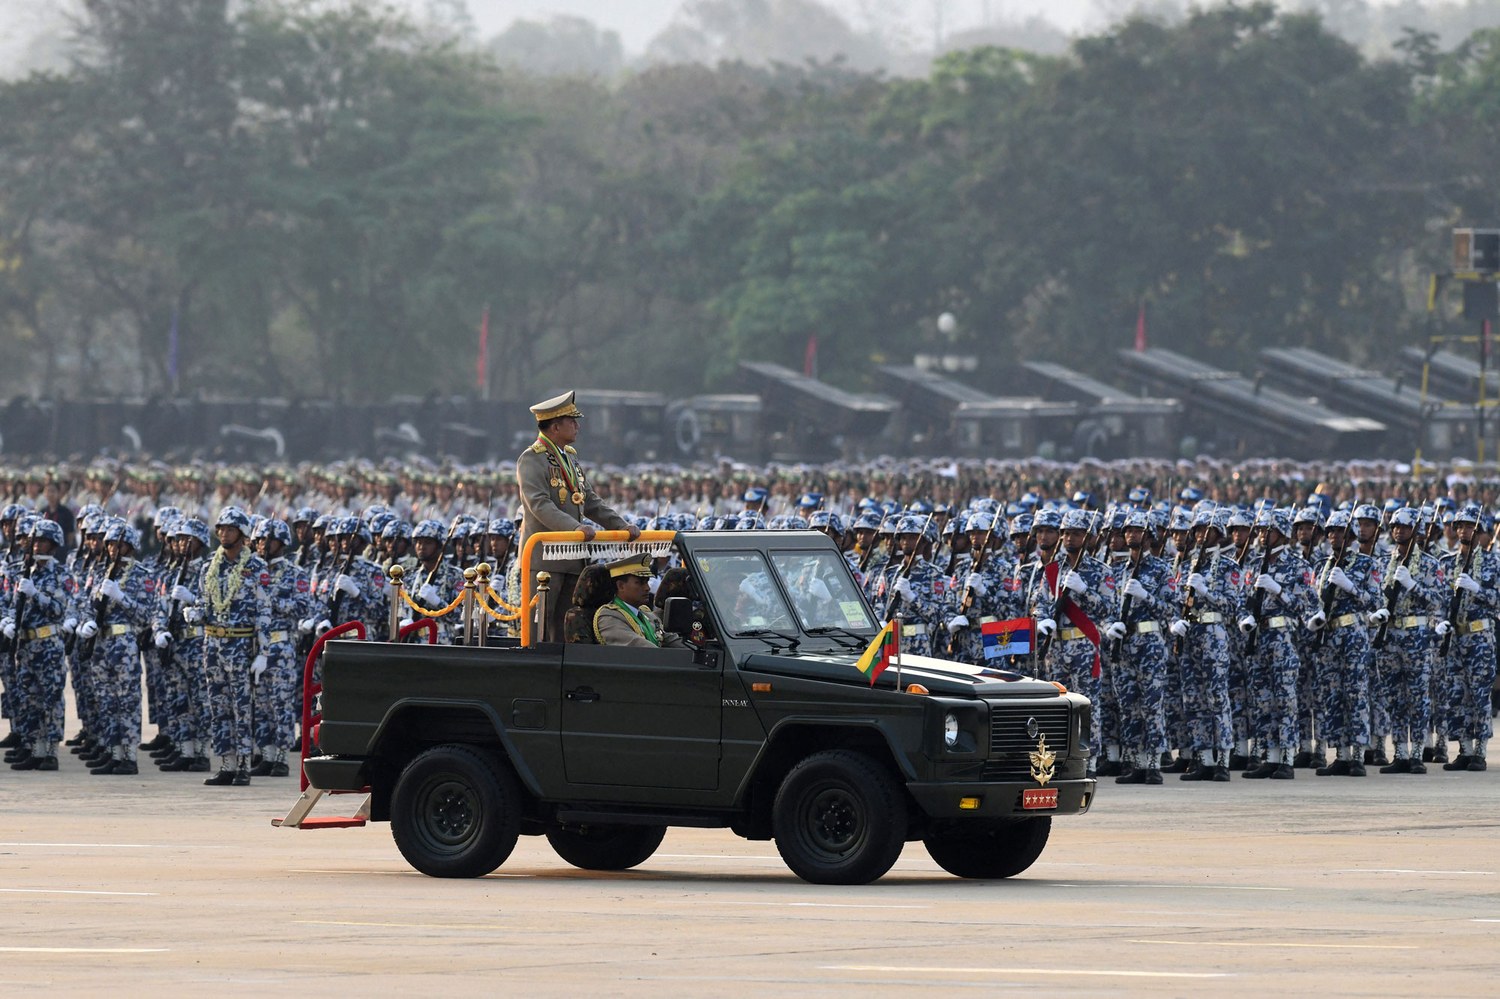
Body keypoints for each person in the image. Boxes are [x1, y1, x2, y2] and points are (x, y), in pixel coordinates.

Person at [515, 391, 638, 642]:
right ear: (556, 426)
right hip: (545, 559)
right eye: (572, 422)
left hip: (573, 556)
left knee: (564, 626)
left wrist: (622, 525)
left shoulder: (569, 457)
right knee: (539, 625)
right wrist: (575, 527)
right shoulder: (531, 459)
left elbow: (590, 500)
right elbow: (539, 504)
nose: (578, 426)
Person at [591, 554, 686, 648]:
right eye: (640, 583)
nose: (647, 588)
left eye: (647, 582)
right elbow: (640, 648)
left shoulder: (647, 614)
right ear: (621, 586)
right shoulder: (608, 616)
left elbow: (673, 641)